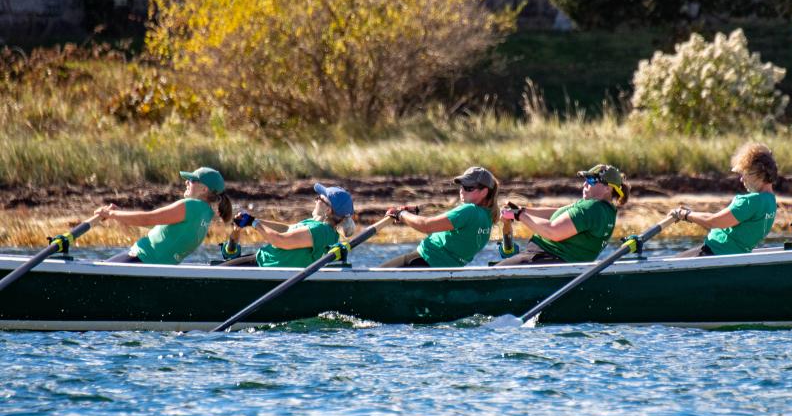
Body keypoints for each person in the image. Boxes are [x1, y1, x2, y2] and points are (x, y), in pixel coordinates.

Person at [495, 164, 628, 266]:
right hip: (547, 260)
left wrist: (519, 215)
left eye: (592, 180)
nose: (585, 184)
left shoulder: (592, 208)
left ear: (608, 188)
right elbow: (556, 213)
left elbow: (554, 232)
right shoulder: (603, 211)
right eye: (586, 179)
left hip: (544, 258)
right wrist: (521, 210)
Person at [97, 167, 232, 264]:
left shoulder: (192, 205)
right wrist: (120, 214)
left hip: (140, 259)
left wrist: (111, 213)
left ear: (204, 189)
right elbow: (159, 229)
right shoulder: (206, 213)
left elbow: (147, 219)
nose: (186, 182)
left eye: (192, 180)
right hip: (153, 265)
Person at [671, 143, 778, 257]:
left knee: (673, 265)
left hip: (716, 253)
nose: (742, 179)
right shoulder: (770, 201)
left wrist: (685, 215)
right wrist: (692, 214)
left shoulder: (751, 201)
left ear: (759, 174)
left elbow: (713, 222)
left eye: (744, 173)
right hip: (722, 252)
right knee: (676, 259)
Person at [379, 166, 499, 268]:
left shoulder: (470, 210)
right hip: (446, 271)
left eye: (469, 187)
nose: (462, 190)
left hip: (424, 260)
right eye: (462, 186)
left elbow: (426, 226)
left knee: (376, 275)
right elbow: (440, 230)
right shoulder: (489, 217)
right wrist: (413, 216)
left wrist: (400, 214)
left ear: (484, 192)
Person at [220, 184, 356, 267]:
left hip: (265, 266)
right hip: (263, 260)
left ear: (328, 210)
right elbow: (287, 229)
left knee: (219, 272)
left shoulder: (320, 231)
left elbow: (281, 241)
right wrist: (254, 220)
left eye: (320, 198)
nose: (315, 200)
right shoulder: (318, 226)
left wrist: (254, 224)